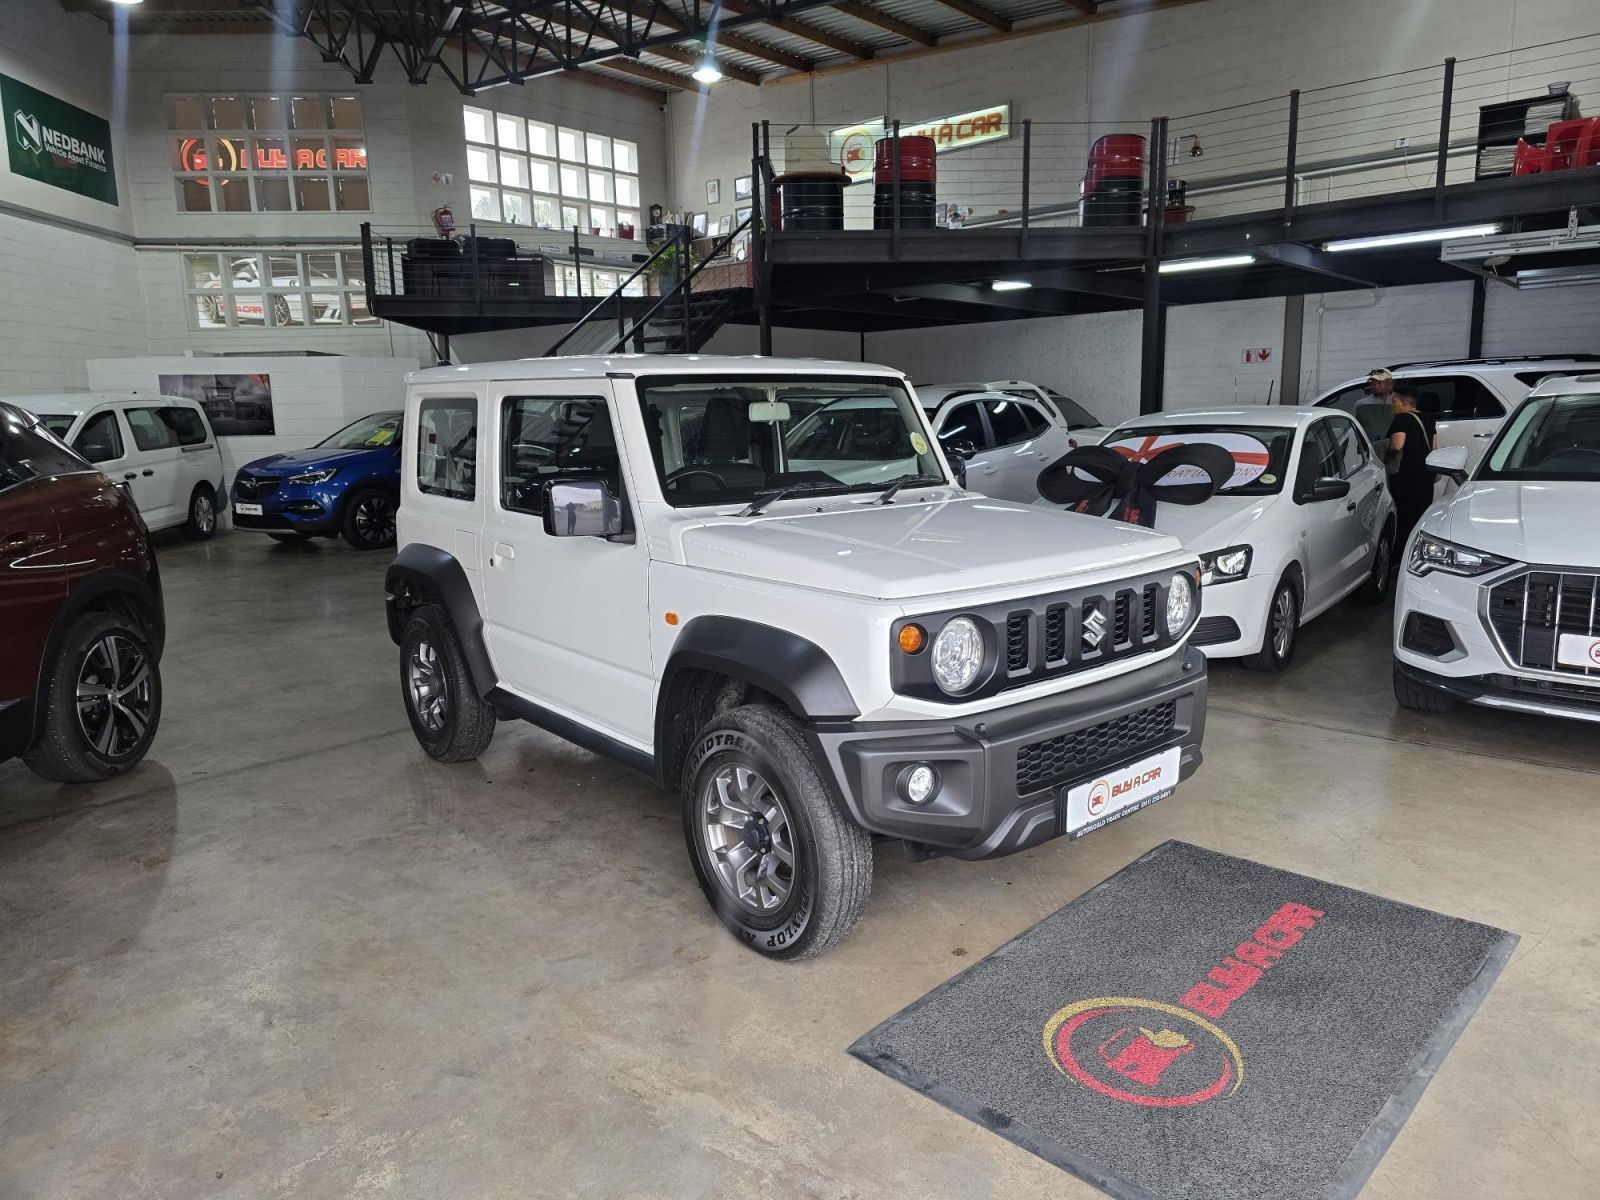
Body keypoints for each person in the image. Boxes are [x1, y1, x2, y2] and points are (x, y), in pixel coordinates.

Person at [1385, 388, 1436, 550]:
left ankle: (1400, 554)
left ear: (1405, 404)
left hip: (1405, 476)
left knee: (1403, 516)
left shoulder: (1401, 419)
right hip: (1425, 476)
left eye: (1394, 402)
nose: (1392, 406)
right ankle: (1417, 549)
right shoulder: (1428, 419)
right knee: (1420, 516)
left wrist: (1384, 447)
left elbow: (1398, 444)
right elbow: (1434, 447)